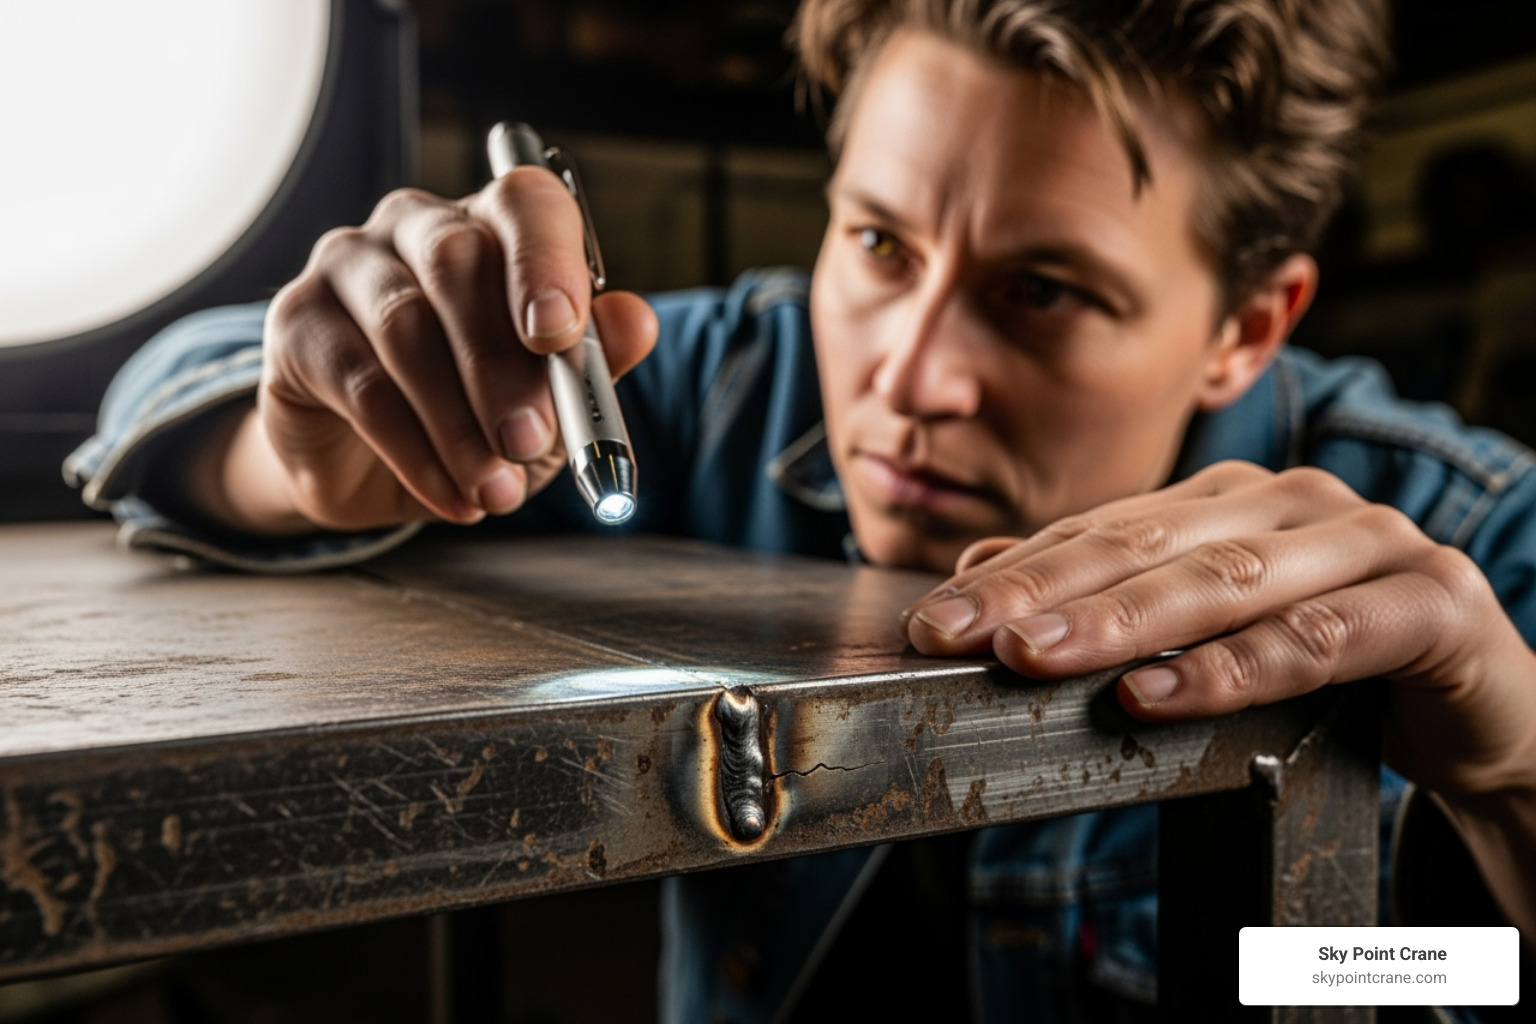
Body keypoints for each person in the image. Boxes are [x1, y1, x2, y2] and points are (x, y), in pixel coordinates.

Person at [66, 0, 1535, 1019]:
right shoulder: (735, 380)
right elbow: (165, 383)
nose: (909, 373)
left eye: (1041, 294)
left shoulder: (1470, 546)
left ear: (1248, 325)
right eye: (880, 243)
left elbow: (1472, 981)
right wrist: (304, 439)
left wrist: (1489, 806)